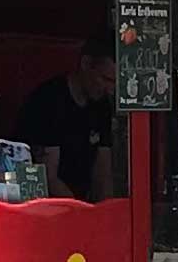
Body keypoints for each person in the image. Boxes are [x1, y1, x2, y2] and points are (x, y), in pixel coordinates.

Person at [16, 36, 117, 202]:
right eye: (105, 79)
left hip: (81, 206)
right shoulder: (49, 101)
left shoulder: (101, 106)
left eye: (114, 83)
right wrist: (83, 215)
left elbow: (103, 172)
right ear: (85, 64)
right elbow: (49, 176)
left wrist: (106, 214)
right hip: (43, 208)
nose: (110, 89)